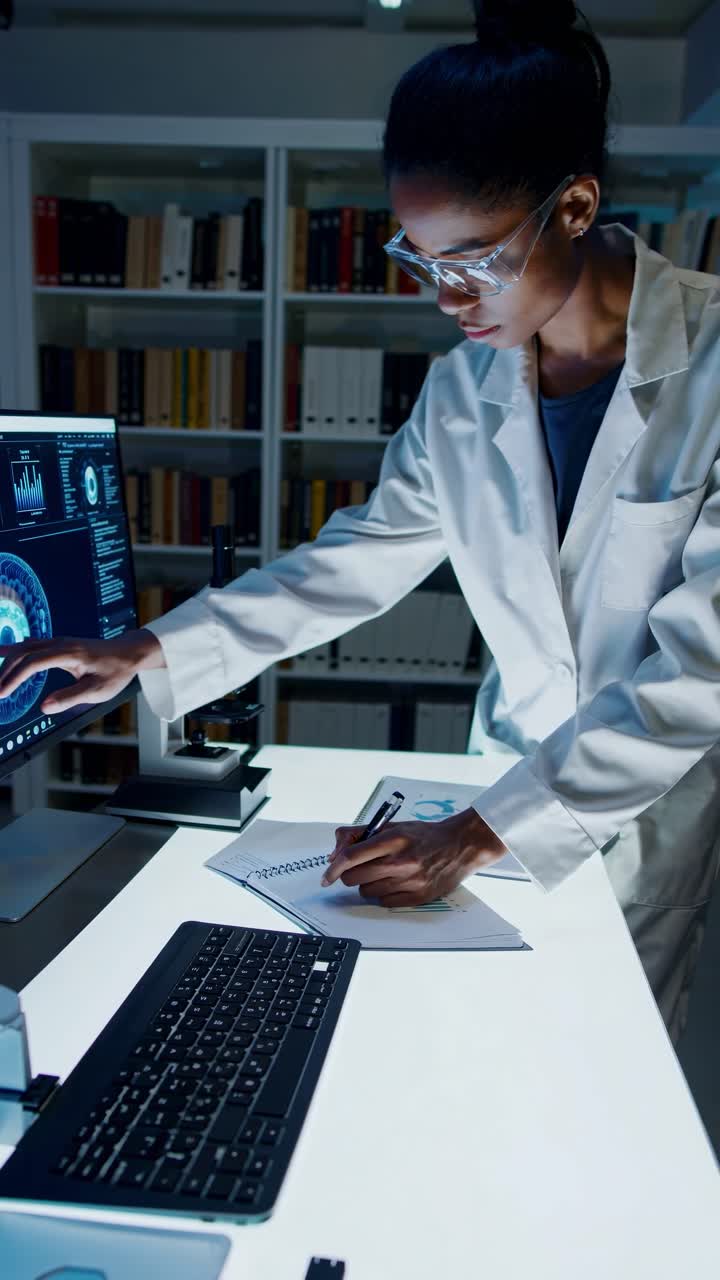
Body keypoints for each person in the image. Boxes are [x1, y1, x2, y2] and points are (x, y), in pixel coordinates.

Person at [1, 0, 719, 1045]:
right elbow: (360, 559)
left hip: (640, 809)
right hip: (499, 775)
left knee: (605, 1065)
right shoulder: (467, 386)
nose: (446, 298)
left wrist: (480, 832)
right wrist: (149, 649)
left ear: (574, 207)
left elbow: (701, 672)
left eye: (472, 259)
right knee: (475, 1047)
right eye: (422, 260)